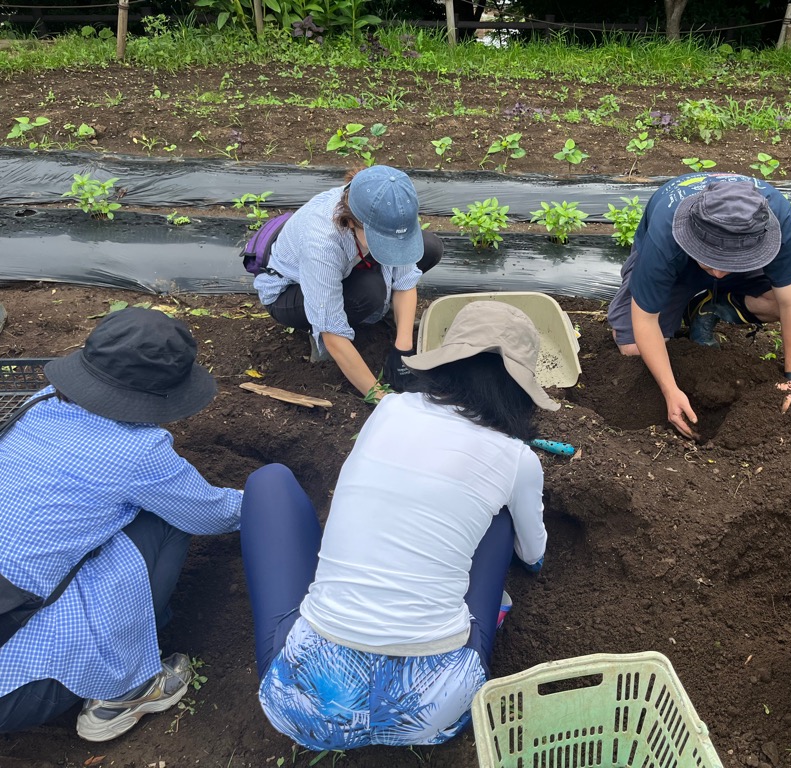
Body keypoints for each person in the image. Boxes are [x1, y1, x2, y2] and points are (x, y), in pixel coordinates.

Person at [239, 301, 554, 750]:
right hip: (430, 711)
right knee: (501, 517)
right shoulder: (517, 458)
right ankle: (488, 615)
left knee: (269, 482)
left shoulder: (390, 410)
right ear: (521, 390)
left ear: (445, 363)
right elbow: (533, 554)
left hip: (306, 705)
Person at [0, 307, 243, 742]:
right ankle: (127, 690)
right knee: (164, 520)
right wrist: (264, 500)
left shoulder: (38, 404)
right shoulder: (138, 450)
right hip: (15, 688)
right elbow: (210, 514)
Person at [606, 172, 791, 437]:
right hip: (681, 266)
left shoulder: (778, 220)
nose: (716, 274)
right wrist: (670, 391)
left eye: (724, 265)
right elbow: (645, 319)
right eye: (710, 262)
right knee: (633, 346)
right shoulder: (666, 233)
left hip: (745, 264)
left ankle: (710, 306)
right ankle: (686, 291)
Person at [254, 165, 443, 401]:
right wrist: (381, 399)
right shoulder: (321, 244)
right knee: (369, 293)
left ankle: (385, 314)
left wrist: (403, 349)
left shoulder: (388, 207)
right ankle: (315, 337)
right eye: (383, 241)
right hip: (290, 293)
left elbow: (405, 278)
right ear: (352, 222)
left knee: (429, 247)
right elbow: (332, 331)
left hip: (348, 264)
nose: (392, 245)